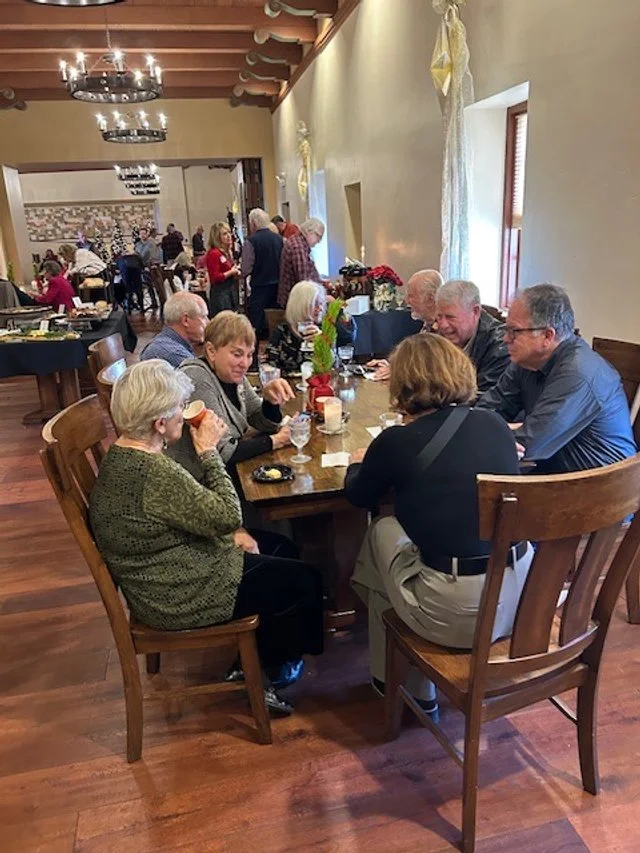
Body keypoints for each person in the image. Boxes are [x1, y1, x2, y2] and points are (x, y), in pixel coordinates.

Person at [89, 359, 324, 713]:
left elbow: (191, 517)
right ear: (159, 423)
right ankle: (267, 675)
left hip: (165, 570)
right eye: (179, 408)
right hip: (177, 593)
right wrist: (208, 452)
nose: (184, 415)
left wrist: (229, 537)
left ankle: (261, 658)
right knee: (303, 580)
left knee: (284, 547)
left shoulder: (125, 455)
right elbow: (228, 516)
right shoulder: (154, 473)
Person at [345, 333, 532, 710]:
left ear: (401, 383)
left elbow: (359, 496)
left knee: (382, 531)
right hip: (521, 599)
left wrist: (356, 462)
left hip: (454, 614)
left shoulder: (395, 441)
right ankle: (402, 678)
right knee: (405, 552)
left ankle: (398, 680)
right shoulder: (495, 425)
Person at [478, 283, 636, 473]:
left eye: (514, 331)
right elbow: (487, 410)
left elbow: (527, 445)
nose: (505, 339)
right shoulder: (526, 361)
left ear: (547, 336)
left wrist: (498, 432)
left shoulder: (577, 374)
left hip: (599, 484)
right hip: (554, 471)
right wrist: (492, 429)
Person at [171, 311, 294, 480]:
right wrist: (276, 440)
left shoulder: (233, 375)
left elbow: (259, 419)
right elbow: (221, 451)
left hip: (225, 471)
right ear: (211, 351)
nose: (245, 363)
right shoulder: (197, 378)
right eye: (237, 354)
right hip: (199, 480)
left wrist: (270, 401)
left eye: (249, 355)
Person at [434, 279, 510, 395]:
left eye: (450, 317)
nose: (443, 325)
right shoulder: (438, 338)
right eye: (439, 317)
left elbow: (483, 396)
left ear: (475, 312)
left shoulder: (501, 345)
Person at [266, 280, 356, 375]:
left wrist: (322, 343)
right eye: (315, 304)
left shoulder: (325, 329)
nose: (320, 309)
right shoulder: (281, 331)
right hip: (290, 383)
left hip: (321, 382)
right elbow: (270, 367)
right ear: (300, 306)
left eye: (321, 303)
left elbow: (334, 367)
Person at [369, 269, 443, 380]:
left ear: (430, 299)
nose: (407, 301)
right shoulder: (427, 325)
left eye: (411, 296)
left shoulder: (445, 329)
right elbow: (418, 361)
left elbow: (435, 370)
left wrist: (400, 371)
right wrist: (393, 365)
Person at [240, 208, 284, 336]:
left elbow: (246, 268)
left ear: (253, 223)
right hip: (277, 286)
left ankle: (255, 346)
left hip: (259, 286)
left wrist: (241, 273)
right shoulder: (280, 239)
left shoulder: (251, 241)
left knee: (257, 322)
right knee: (276, 320)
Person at [140, 291, 209, 368]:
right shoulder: (173, 354)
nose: (208, 322)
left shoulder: (164, 344)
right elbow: (201, 373)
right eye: (203, 317)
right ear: (185, 320)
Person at [277, 217, 324, 308]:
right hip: (296, 302)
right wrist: (322, 296)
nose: (319, 241)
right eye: (318, 236)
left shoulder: (299, 242)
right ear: (309, 231)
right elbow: (304, 280)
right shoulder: (298, 247)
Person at [206, 221, 240, 315]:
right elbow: (215, 277)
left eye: (229, 232)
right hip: (220, 294)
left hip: (230, 291)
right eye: (225, 234)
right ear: (217, 237)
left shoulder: (226, 253)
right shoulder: (214, 253)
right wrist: (231, 272)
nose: (229, 236)